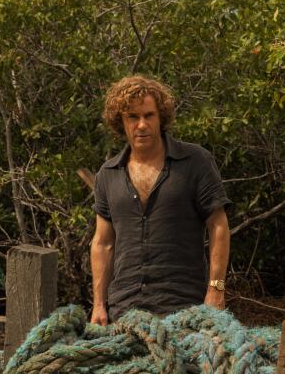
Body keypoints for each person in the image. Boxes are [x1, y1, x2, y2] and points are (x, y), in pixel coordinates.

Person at [90, 75, 231, 323]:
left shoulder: (196, 161)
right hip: (124, 311)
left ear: (161, 117)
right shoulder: (107, 175)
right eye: (133, 117)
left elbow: (218, 227)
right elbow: (103, 244)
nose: (142, 125)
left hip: (186, 308)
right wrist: (98, 305)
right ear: (120, 122)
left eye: (148, 115)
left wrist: (216, 290)